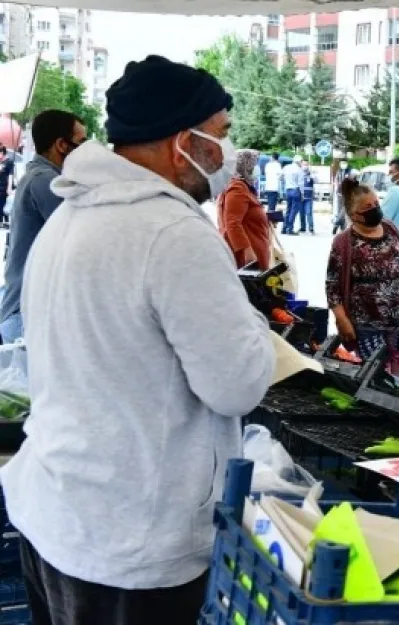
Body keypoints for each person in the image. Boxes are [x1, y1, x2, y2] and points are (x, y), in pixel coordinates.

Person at [0, 55, 274, 625]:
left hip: (56, 511)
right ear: (183, 141)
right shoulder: (173, 234)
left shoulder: (71, 216)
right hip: (133, 541)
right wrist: (255, 328)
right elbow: (237, 386)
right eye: (220, 134)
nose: (226, 151)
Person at [0, 110, 87, 343]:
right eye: (82, 143)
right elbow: (83, 236)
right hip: (26, 316)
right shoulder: (45, 181)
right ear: (61, 145)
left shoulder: (39, 176)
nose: (87, 152)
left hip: (26, 312)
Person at [328, 179, 399, 376]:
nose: (375, 210)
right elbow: (332, 287)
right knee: (374, 374)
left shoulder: (390, 227)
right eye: (368, 207)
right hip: (367, 323)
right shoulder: (343, 242)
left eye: (376, 204)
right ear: (353, 215)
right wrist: (342, 320)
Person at [217, 149, 270, 270]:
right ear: (245, 164)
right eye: (254, 164)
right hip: (248, 256)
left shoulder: (243, 186)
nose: (257, 168)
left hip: (255, 248)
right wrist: (247, 251)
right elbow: (232, 223)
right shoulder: (237, 187)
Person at [281, 155, 304, 235]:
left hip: (288, 190)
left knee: (288, 209)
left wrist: (285, 183)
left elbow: (280, 176)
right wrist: (302, 194)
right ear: (299, 162)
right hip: (296, 190)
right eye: (301, 162)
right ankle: (290, 229)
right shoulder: (299, 170)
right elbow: (301, 183)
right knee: (294, 211)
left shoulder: (286, 167)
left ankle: (284, 228)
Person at [333, 159, 355, 235]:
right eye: (342, 163)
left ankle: (337, 223)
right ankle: (341, 227)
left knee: (345, 210)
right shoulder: (339, 171)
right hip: (340, 193)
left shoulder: (350, 171)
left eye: (344, 163)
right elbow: (336, 181)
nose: (343, 164)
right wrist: (336, 190)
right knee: (341, 210)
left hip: (347, 193)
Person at [0, 146, 15, 227]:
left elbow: (10, 175)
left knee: (6, 204)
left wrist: (9, 187)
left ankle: (6, 221)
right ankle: (1, 222)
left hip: (6, 187)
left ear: (2, 153)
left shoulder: (9, 162)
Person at [301, 161, 316, 235]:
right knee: (301, 213)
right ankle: (302, 228)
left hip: (309, 197)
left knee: (308, 212)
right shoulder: (299, 173)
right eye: (304, 165)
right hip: (300, 196)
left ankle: (311, 228)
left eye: (306, 165)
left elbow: (316, 180)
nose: (305, 166)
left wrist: (313, 174)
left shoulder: (311, 174)